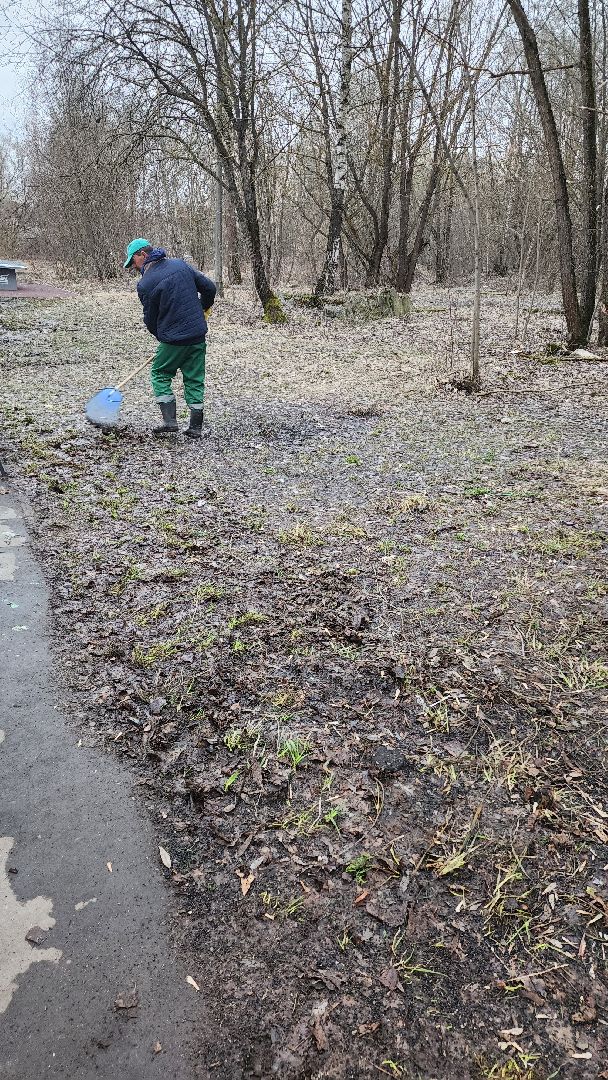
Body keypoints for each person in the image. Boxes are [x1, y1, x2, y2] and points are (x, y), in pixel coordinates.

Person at [123, 238, 216, 438]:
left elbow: (150, 319)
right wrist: (203, 308)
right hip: (197, 335)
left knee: (159, 373)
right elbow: (209, 288)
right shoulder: (180, 265)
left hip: (173, 339)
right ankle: (195, 427)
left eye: (133, 261)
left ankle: (170, 421)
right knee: (194, 378)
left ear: (143, 255)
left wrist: (161, 336)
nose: (133, 266)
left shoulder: (145, 284)